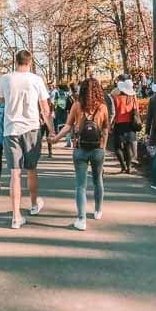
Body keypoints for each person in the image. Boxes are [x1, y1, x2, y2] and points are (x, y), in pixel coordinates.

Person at [0, 49, 55, 229]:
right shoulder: (36, 80)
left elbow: (0, 100)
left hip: (11, 128)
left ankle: (16, 216)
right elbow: (45, 109)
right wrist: (52, 131)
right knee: (31, 168)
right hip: (31, 128)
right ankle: (33, 204)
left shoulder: (5, 79)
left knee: (15, 172)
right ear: (30, 63)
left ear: (15, 61)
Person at [51, 77, 109, 231]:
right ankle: (98, 210)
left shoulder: (77, 106)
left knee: (80, 186)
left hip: (80, 149)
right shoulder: (103, 107)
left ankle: (81, 219)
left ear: (82, 89)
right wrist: (103, 147)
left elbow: (68, 126)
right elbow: (105, 129)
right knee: (98, 181)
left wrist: (56, 138)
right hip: (97, 149)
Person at [111, 75, 139, 173]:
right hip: (131, 124)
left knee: (117, 146)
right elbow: (136, 110)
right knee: (128, 145)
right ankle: (129, 167)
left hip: (119, 124)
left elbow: (113, 112)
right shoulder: (133, 97)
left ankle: (123, 166)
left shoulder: (116, 98)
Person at [52, 83, 72, 147]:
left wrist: (54, 110)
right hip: (65, 110)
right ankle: (68, 140)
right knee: (67, 124)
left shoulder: (57, 93)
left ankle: (58, 137)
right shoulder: (67, 93)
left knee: (58, 123)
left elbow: (55, 102)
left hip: (58, 109)